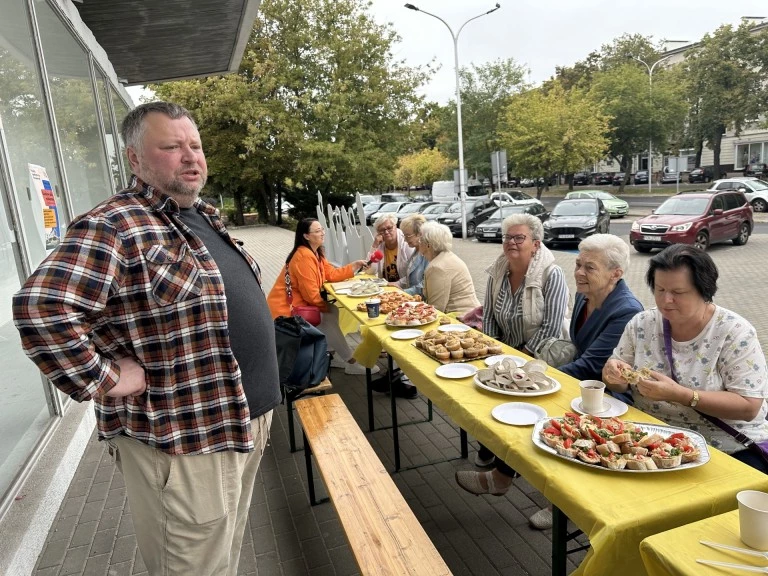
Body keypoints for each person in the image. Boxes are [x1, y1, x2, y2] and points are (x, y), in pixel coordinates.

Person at [12, 101, 281, 576]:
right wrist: (107, 377)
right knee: (193, 568)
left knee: (224, 557)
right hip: (184, 444)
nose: (191, 156)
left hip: (240, 424)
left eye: (195, 145)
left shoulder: (199, 216)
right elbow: (42, 309)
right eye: (172, 147)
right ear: (135, 158)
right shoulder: (114, 224)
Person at [603, 243, 768, 473]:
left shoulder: (734, 333)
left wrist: (682, 395)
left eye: (678, 293)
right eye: (660, 290)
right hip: (650, 440)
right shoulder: (642, 324)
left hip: (727, 447)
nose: (666, 300)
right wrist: (613, 373)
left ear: (705, 291)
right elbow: (617, 382)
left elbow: (749, 406)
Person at [530, 235, 644, 529]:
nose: (579, 272)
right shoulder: (584, 294)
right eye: (578, 264)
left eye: (589, 267)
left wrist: (538, 380)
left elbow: (592, 365)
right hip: (579, 385)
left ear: (615, 273)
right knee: (530, 413)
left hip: (611, 396)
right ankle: (510, 475)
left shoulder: (626, 310)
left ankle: (562, 504)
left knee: (552, 419)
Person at [455, 213, 569, 499]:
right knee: (479, 395)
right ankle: (491, 450)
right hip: (505, 353)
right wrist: (492, 351)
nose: (511, 243)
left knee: (515, 408)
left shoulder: (550, 274)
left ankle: (504, 474)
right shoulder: (498, 270)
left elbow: (552, 327)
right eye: (507, 237)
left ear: (536, 244)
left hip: (540, 359)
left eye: (519, 238)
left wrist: (521, 358)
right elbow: (489, 314)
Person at [267, 218, 374, 375]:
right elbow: (311, 295)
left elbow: (330, 273)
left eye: (322, 229)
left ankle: (331, 355)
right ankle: (350, 361)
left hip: (298, 304)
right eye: (317, 231)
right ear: (306, 236)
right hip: (285, 311)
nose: (322, 233)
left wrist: (354, 266)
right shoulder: (304, 256)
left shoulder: (315, 252)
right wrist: (323, 309)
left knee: (333, 310)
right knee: (328, 317)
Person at [419, 221, 480, 316]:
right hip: (470, 314)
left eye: (420, 240)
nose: (419, 243)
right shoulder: (447, 256)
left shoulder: (436, 267)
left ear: (428, 245)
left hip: (461, 320)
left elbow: (436, 309)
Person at [370, 213, 414, 282]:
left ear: (395, 226)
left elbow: (413, 274)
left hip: (404, 288)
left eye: (389, 228)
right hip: (386, 288)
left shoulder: (406, 243)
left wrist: (398, 284)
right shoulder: (379, 244)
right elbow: (370, 271)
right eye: (382, 230)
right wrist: (374, 246)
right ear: (378, 233)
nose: (386, 232)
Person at [395, 214, 428, 296]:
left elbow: (426, 284)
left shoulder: (428, 254)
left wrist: (404, 292)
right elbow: (409, 277)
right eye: (404, 235)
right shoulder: (415, 251)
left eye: (408, 236)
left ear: (420, 234)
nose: (405, 240)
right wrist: (397, 283)